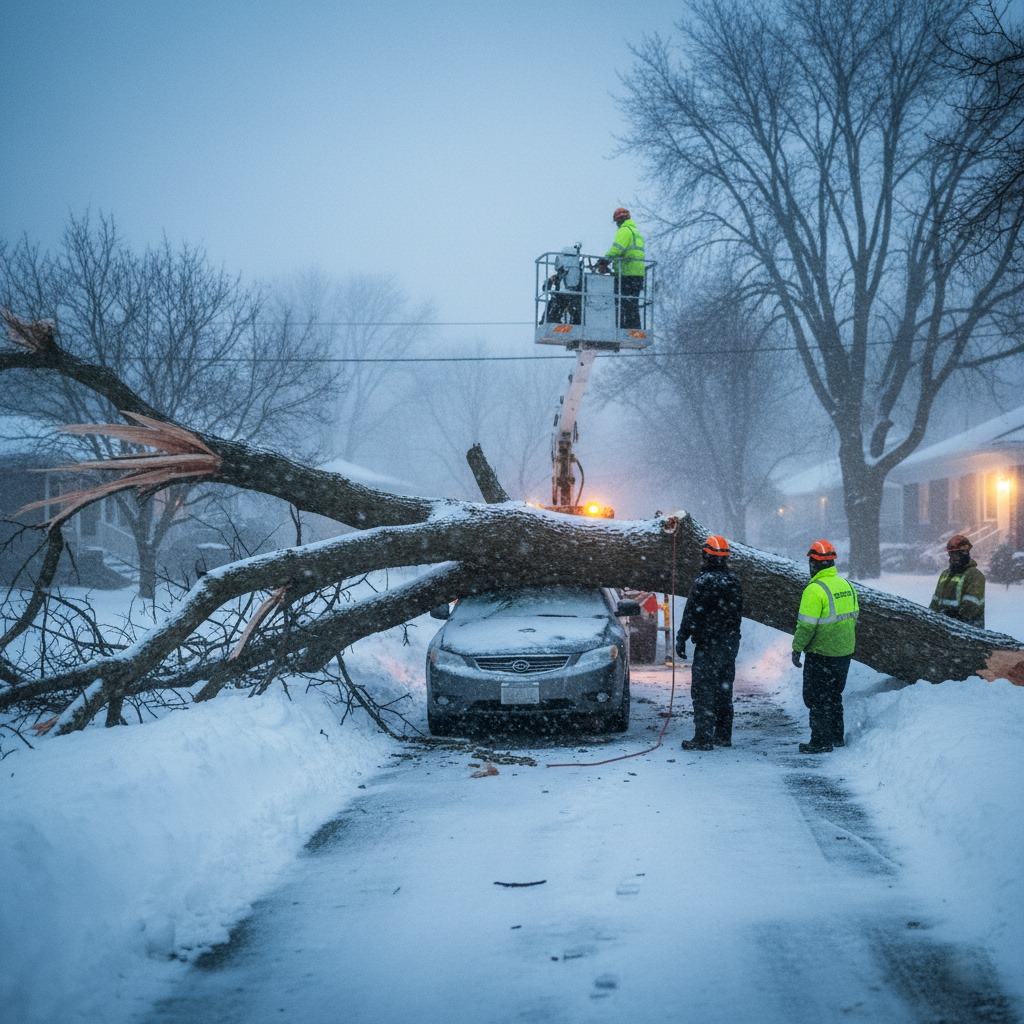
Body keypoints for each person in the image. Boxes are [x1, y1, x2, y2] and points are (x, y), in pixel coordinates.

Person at [675, 535, 743, 751]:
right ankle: (723, 735)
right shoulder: (734, 582)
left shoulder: (703, 582)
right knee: (724, 690)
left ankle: (703, 737)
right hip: (729, 645)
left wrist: (682, 638)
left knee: (703, 691)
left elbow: (692, 613)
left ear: (706, 556)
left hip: (709, 645)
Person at [791, 539, 859, 753]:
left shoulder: (814, 589)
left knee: (817, 697)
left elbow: (806, 626)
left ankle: (820, 741)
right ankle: (836, 736)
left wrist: (797, 648)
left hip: (821, 652)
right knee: (834, 695)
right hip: (844, 652)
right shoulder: (846, 585)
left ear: (814, 563)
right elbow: (854, 615)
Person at [596, 207, 645, 329]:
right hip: (637, 274)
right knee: (632, 303)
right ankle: (633, 328)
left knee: (623, 302)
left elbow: (617, 249)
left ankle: (622, 327)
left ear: (619, 220)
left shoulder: (624, 231)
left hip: (627, 274)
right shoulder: (636, 232)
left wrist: (604, 260)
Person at [929, 534, 986, 628]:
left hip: (967, 631)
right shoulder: (945, 574)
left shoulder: (974, 575)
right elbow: (935, 602)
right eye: (950, 554)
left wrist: (949, 619)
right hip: (943, 629)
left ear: (964, 553)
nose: (951, 558)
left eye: (954, 554)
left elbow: (971, 608)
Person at [543, 246, 583, 325]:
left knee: (557, 305)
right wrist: (550, 281)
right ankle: (550, 320)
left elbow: (545, 288)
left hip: (566, 299)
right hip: (568, 299)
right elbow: (545, 288)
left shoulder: (577, 276)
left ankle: (551, 320)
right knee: (556, 305)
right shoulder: (559, 276)